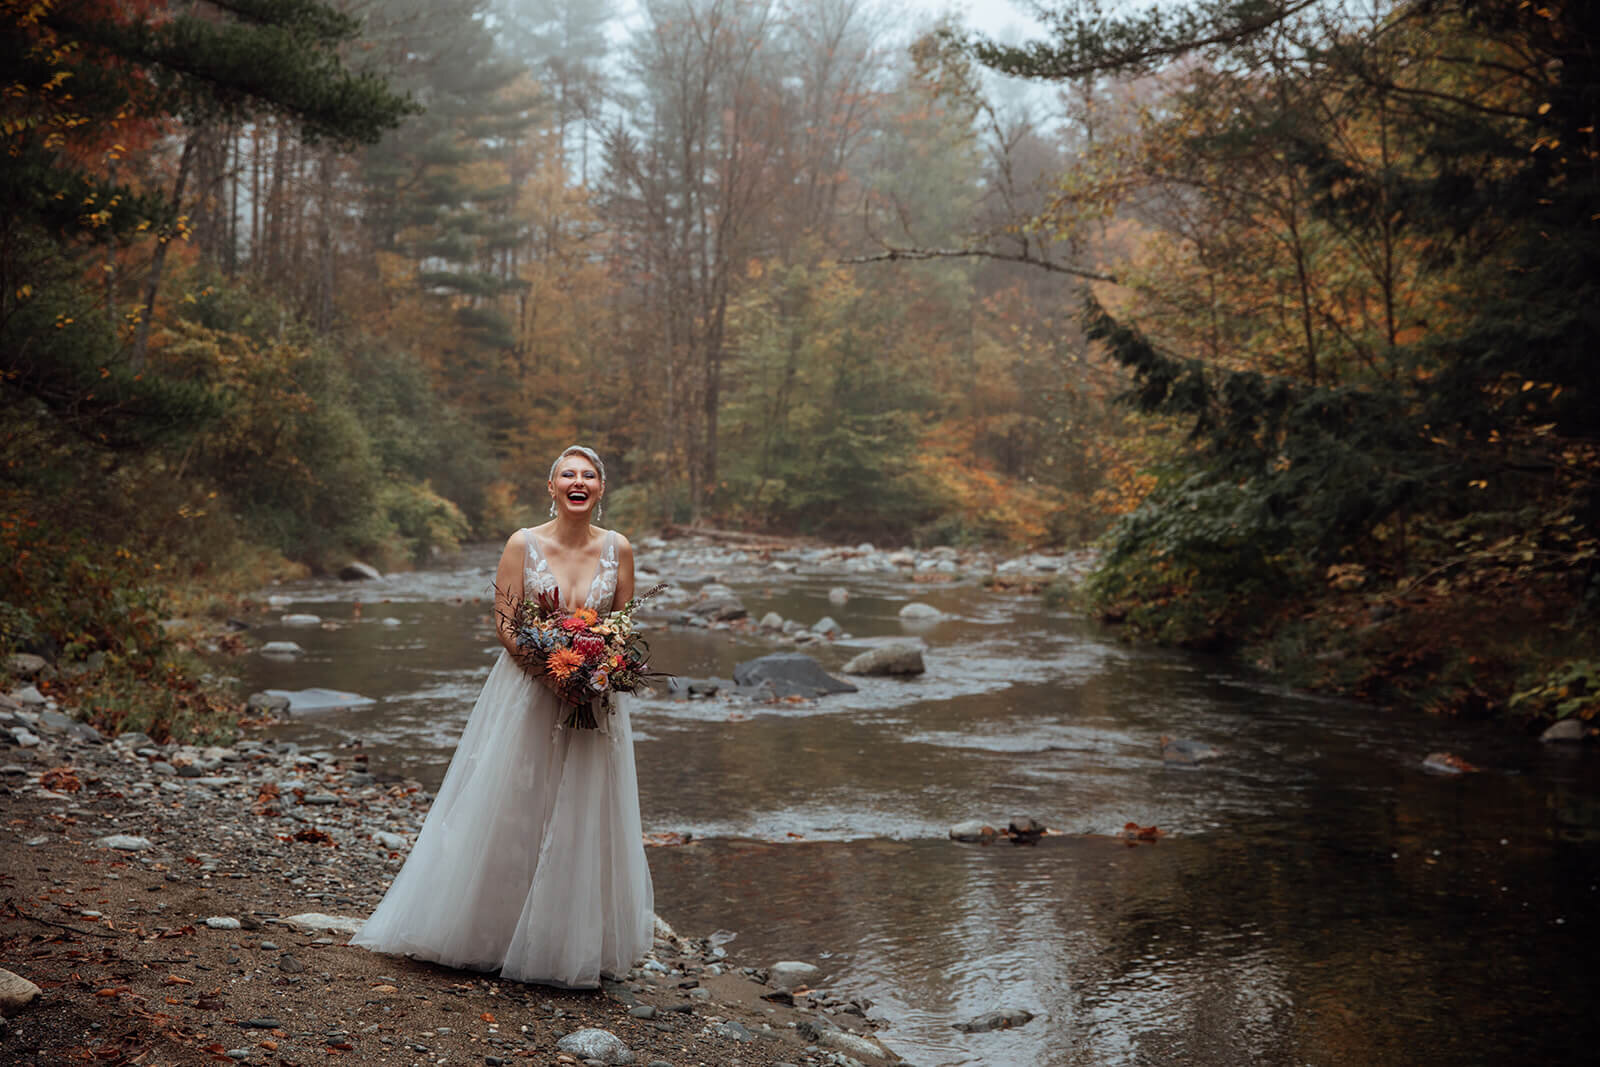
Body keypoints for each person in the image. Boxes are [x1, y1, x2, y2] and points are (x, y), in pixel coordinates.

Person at [352, 446, 655, 988]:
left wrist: (594, 671)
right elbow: (508, 624)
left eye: (589, 475)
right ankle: (490, 934)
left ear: (601, 490)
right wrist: (552, 675)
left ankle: (567, 943)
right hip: (530, 693)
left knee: (585, 810)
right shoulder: (523, 543)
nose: (578, 481)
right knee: (515, 803)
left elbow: (624, 627)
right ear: (552, 486)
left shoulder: (620, 549)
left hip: (593, 698)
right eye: (568, 474)